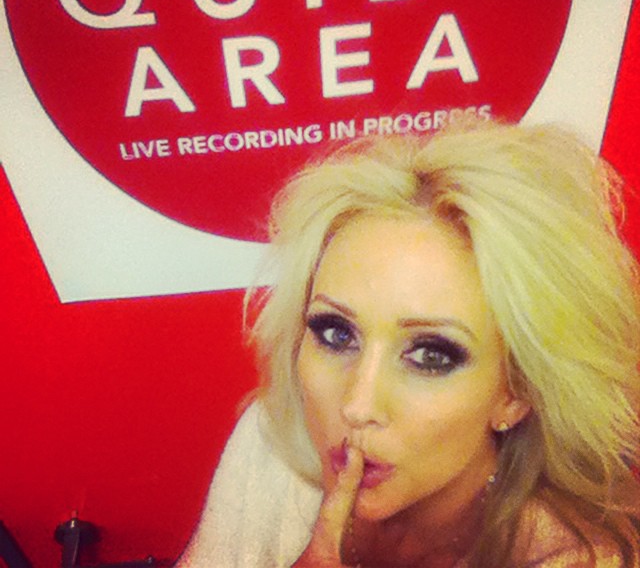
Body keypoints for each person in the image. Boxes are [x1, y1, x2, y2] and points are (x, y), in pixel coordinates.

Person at [180, 122, 640, 567]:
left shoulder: (579, 558)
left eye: (430, 356)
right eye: (336, 333)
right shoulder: (271, 442)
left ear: (517, 392)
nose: (356, 407)